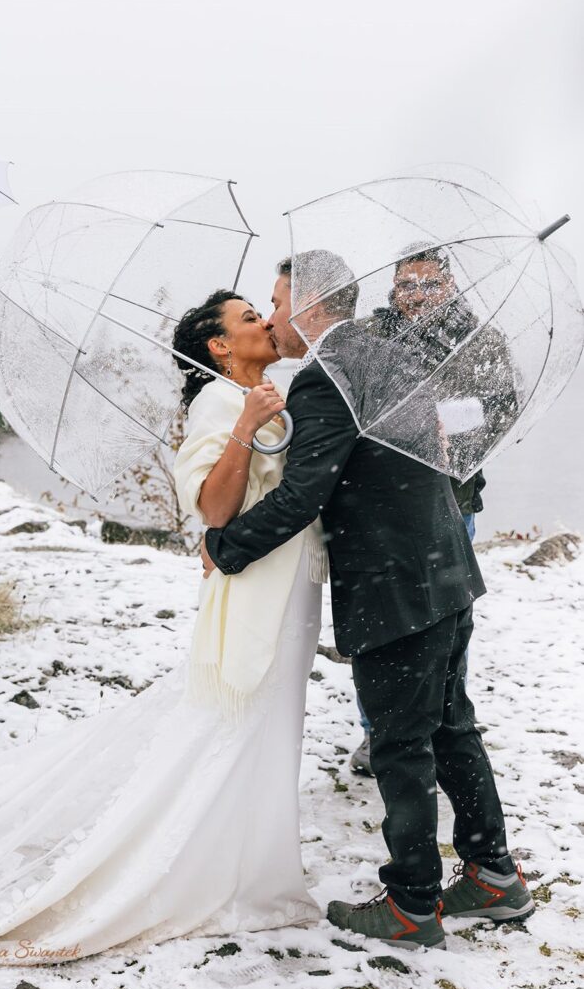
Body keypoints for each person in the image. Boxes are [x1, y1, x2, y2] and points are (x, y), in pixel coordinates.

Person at [0, 290, 327, 966]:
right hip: (255, 586)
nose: (268, 323)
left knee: (273, 720)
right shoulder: (217, 404)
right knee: (242, 716)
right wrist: (246, 426)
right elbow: (214, 510)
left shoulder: (272, 390)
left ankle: (250, 856)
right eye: (250, 318)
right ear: (217, 346)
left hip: (294, 579)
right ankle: (211, 869)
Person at [203, 254, 534, 950]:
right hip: (445, 569)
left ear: (313, 306)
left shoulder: (329, 381)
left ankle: (412, 904)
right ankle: (492, 876)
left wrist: (224, 545)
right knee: (449, 726)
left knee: (400, 744)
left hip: (394, 585)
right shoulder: (388, 354)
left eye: (276, 300)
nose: (268, 316)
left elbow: (302, 496)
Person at [350, 246, 519, 777]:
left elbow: (500, 410)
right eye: (407, 286)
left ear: (449, 287)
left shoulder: (479, 340)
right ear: (393, 289)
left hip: (450, 500)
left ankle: (445, 726)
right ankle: (375, 731)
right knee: (381, 624)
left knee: (445, 624)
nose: (417, 296)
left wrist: (443, 420)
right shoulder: (372, 337)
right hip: (379, 502)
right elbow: (352, 404)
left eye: (429, 285)